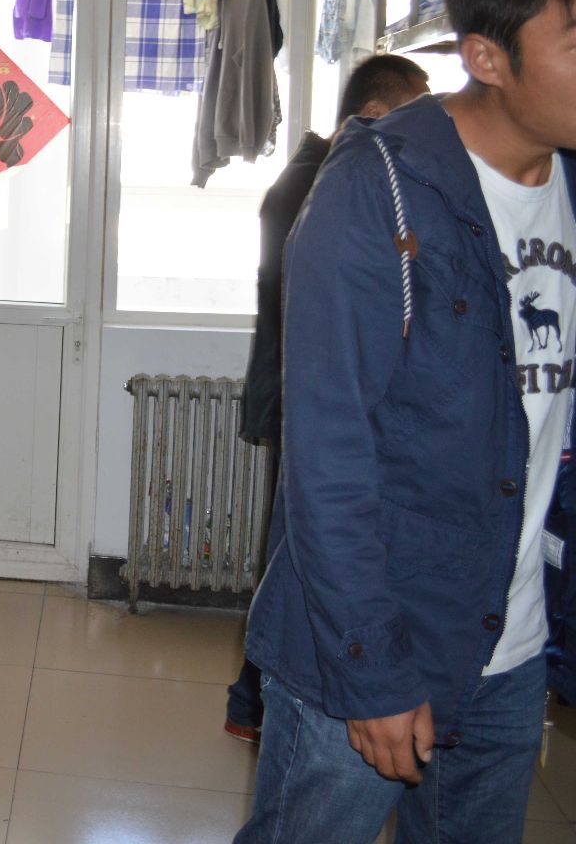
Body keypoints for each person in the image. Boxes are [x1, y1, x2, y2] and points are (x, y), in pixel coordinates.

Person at [235, 0, 576, 843]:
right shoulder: (375, 196)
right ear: (487, 56)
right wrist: (373, 672)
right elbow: (328, 461)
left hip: (510, 648)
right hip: (373, 652)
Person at [224, 53, 431, 745]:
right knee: (296, 550)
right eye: (415, 114)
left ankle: (249, 700)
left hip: (303, 390)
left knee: (290, 544)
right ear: (376, 113)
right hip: (309, 396)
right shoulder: (328, 185)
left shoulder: (316, 175)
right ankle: (255, 700)